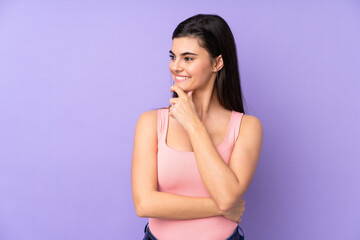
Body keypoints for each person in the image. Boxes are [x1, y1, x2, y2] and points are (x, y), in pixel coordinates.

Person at [131, 14, 263, 240]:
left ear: (217, 63)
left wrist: (193, 125)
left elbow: (226, 195)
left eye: (188, 58)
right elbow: (144, 204)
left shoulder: (247, 127)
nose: (176, 66)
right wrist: (220, 209)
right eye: (174, 56)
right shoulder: (151, 122)